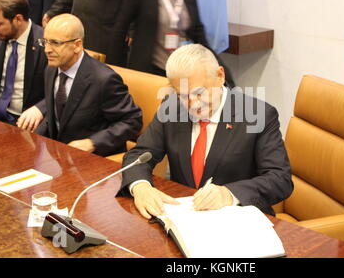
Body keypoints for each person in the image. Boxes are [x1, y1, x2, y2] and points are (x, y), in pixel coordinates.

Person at [117, 44, 293, 219]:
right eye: (183, 95)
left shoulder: (258, 115)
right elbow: (139, 155)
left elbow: (280, 179)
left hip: (239, 222)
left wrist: (229, 193)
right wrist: (141, 186)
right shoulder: (172, 108)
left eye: (200, 93)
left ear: (220, 75)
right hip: (186, 218)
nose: (193, 104)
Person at [18, 14, 143, 157]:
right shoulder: (51, 69)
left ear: (77, 45)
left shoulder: (104, 79)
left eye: (55, 43)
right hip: (59, 155)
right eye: (45, 42)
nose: (47, 49)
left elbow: (132, 121)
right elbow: (58, 117)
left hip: (96, 159)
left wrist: (92, 143)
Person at [108, 0, 235, 87]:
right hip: (149, 74)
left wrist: (224, 70)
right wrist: (114, 74)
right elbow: (119, 31)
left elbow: (200, 37)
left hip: (181, 75)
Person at [0, 0, 46, 125]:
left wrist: (40, 108)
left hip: (27, 120)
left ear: (18, 19)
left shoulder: (46, 43)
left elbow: (60, 89)